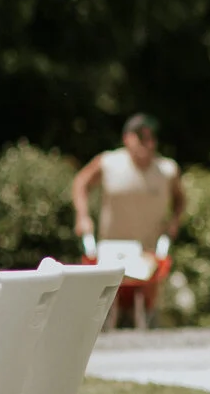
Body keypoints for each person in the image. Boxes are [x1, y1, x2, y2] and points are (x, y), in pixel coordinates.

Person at [71, 113, 187, 322]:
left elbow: (180, 200)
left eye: (151, 139)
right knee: (107, 308)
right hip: (111, 252)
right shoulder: (109, 163)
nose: (147, 144)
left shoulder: (167, 170)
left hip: (148, 254)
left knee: (147, 306)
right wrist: (82, 216)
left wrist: (174, 222)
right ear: (127, 138)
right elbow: (81, 183)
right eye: (141, 138)